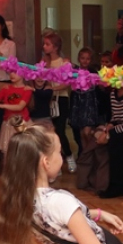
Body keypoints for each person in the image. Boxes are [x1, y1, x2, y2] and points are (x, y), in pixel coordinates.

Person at [42, 32, 76, 173]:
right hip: (49, 99)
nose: (44, 46)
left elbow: (67, 83)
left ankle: (69, 156)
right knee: (51, 132)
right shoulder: (45, 63)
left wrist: (53, 88)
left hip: (61, 99)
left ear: (55, 47)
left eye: (47, 44)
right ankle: (56, 161)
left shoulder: (64, 62)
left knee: (60, 131)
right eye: (44, 44)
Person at [0, 71, 33, 156]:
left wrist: (2, 105)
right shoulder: (6, 88)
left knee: (23, 150)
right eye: (10, 72)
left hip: (22, 123)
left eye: (15, 72)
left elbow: (20, 107)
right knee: (8, 151)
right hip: (9, 123)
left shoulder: (27, 89)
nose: (12, 74)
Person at [98, 87, 123, 199]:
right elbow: (115, 117)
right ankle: (113, 185)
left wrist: (111, 131)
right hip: (117, 128)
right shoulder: (112, 94)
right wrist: (109, 127)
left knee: (117, 143)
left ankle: (117, 187)